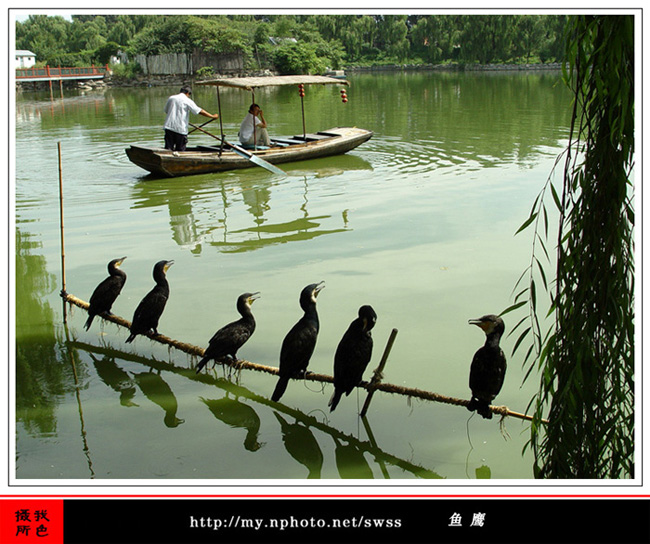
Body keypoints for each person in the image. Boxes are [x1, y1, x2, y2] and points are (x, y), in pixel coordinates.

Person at [163, 86, 219, 151]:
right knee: (180, 150)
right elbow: (199, 111)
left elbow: (166, 111)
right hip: (180, 129)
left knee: (168, 150)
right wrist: (212, 116)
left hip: (169, 128)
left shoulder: (171, 98)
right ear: (188, 93)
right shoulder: (187, 100)